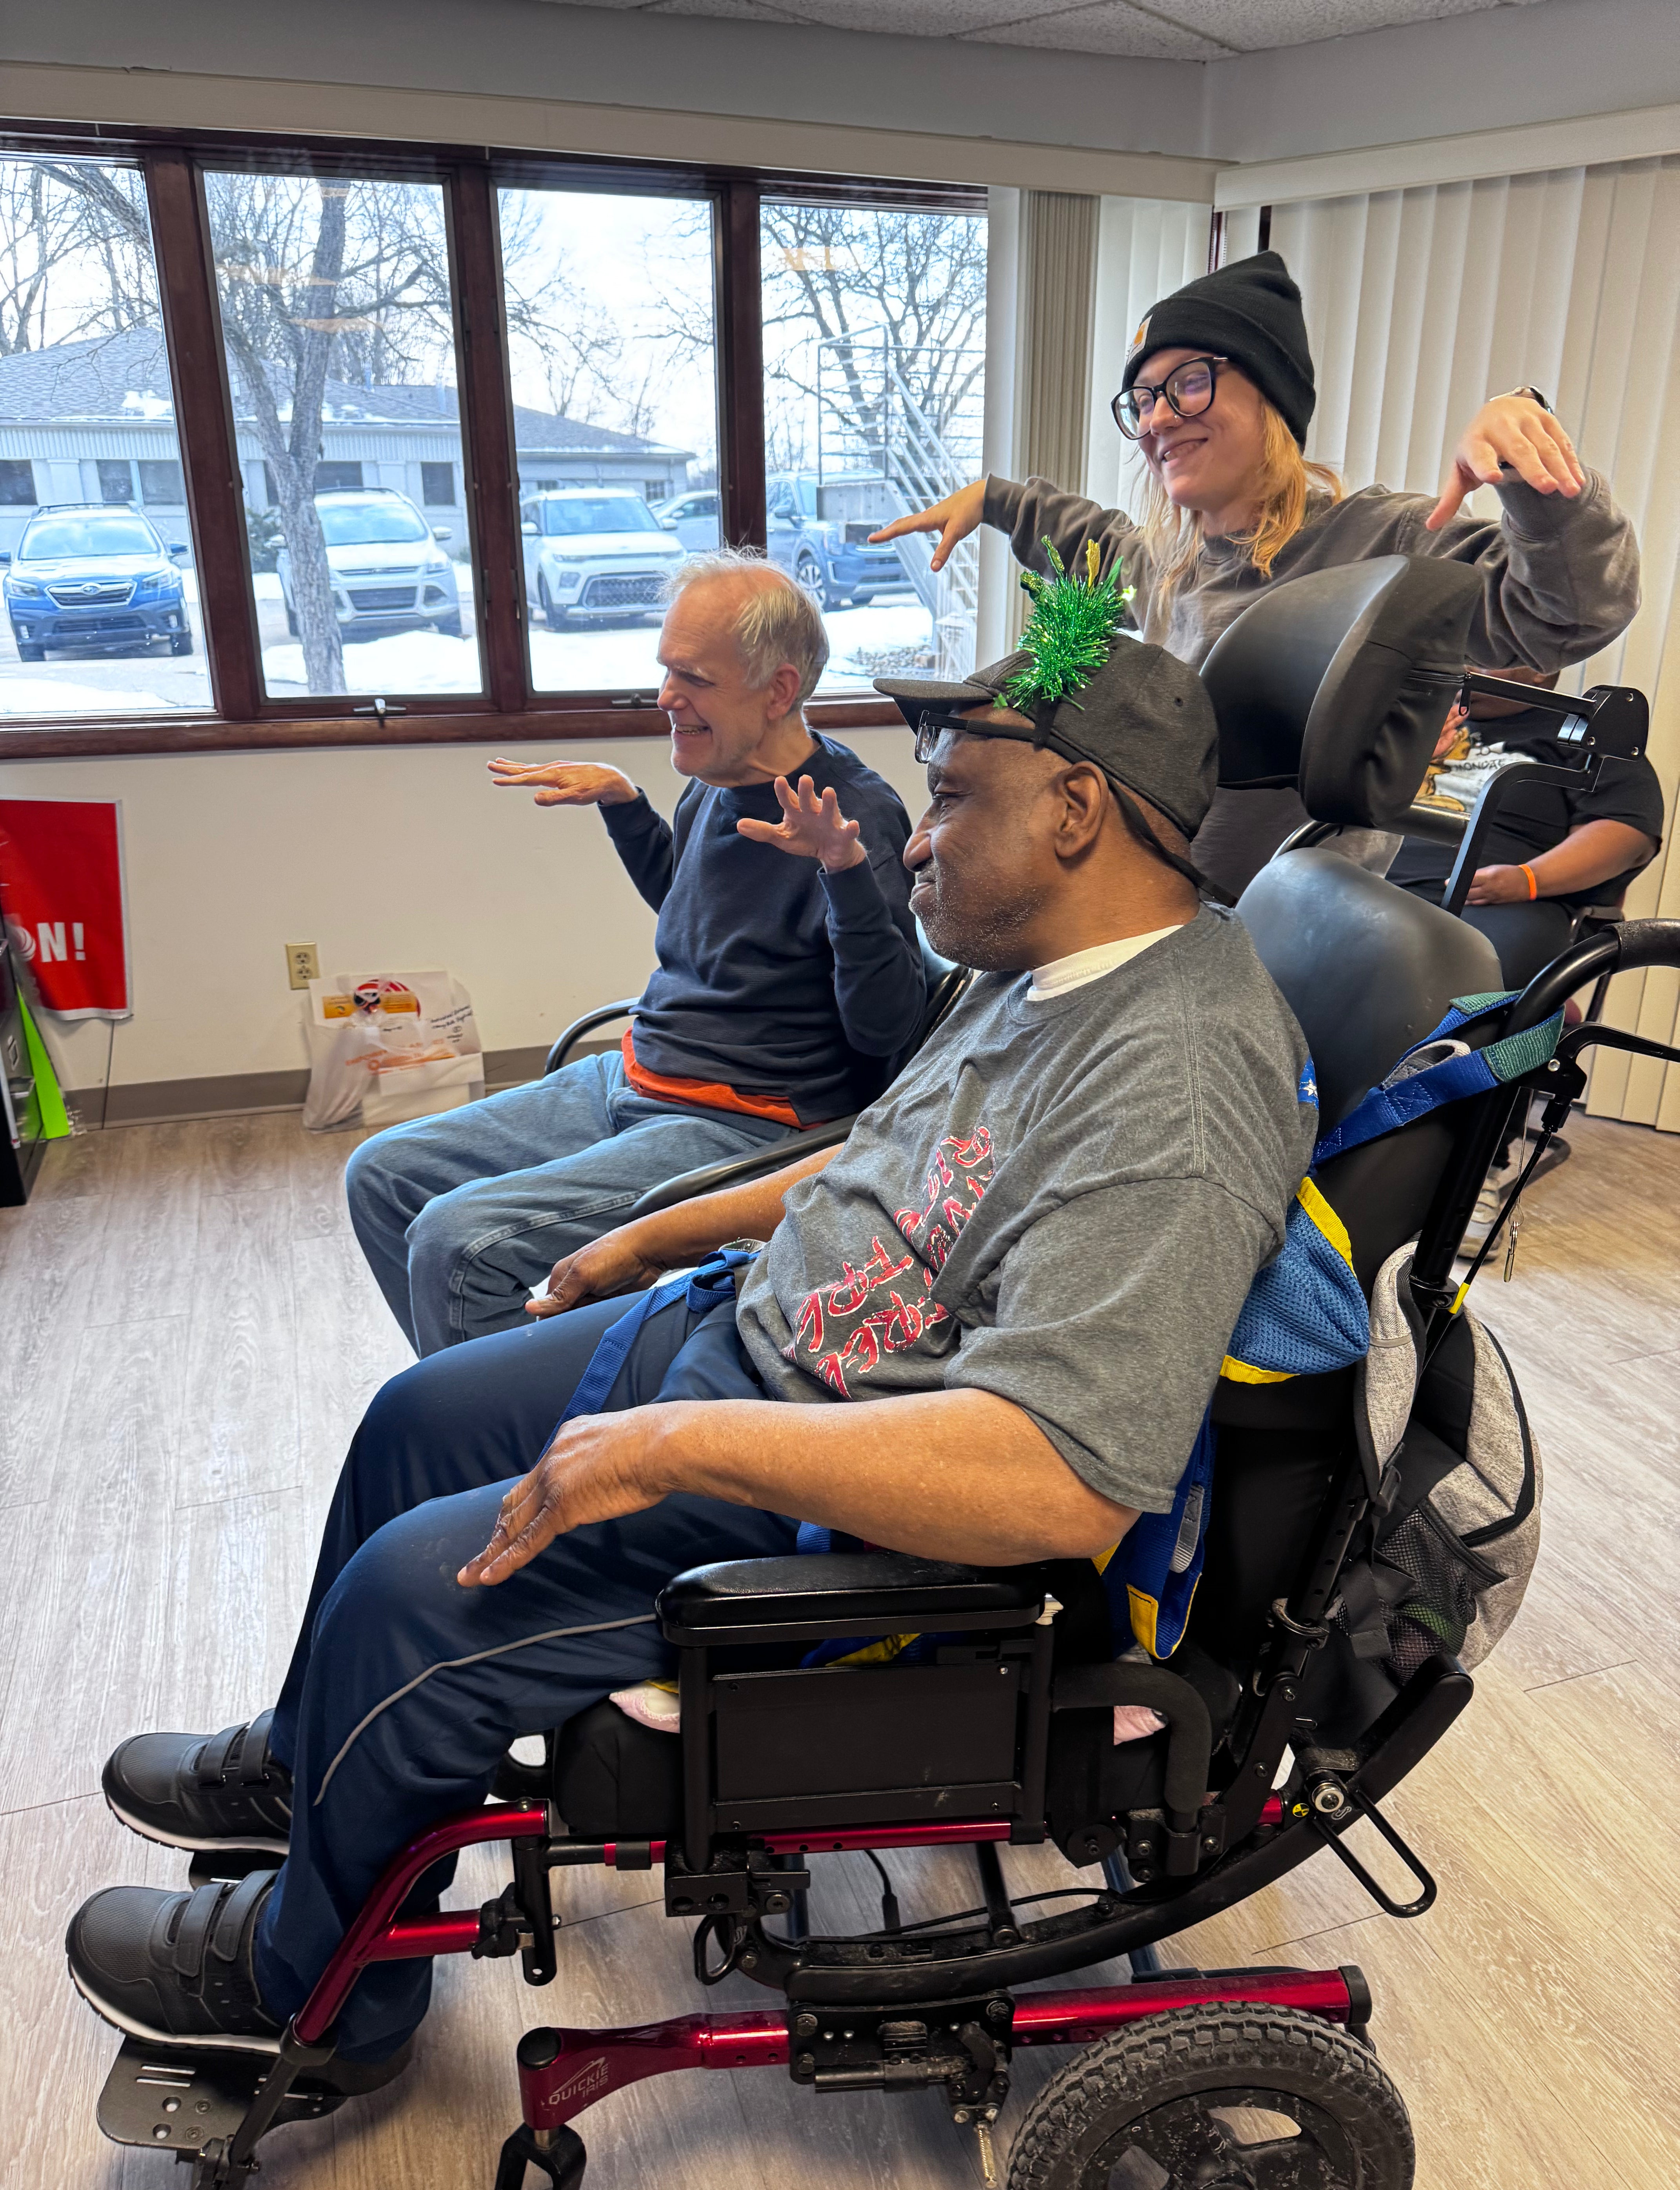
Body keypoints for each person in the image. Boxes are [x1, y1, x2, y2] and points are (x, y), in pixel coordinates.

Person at [68, 610, 1319, 2075]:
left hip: (839, 1488)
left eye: (950, 799)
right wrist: (657, 1232)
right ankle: (314, 1773)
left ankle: (317, 1998)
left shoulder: (1174, 1086)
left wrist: (675, 1442)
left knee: (408, 1598)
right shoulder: (1048, 961)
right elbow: (884, 1155)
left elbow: (1063, 1480)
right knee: (413, 1421)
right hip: (750, 1336)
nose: (915, 841)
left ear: (1076, 808)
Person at [872, 250, 1642, 897]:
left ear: (1270, 394)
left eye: (1188, 383)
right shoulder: (1170, 563)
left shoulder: (1381, 545)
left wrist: (1534, 477)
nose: (1156, 418)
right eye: (1142, 399)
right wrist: (997, 500)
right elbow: (1092, 542)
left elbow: (1567, 614)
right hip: (1157, 906)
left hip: (1290, 936)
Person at [345, 548, 925, 1354]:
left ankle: (509, 1417)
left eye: (693, 678)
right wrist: (625, 805)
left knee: (458, 1240)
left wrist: (843, 871)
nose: (666, 697)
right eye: (666, 671)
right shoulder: (717, 780)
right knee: (380, 1173)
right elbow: (696, 914)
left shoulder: (850, 814)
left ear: (778, 690)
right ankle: (475, 1393)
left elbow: (887, 1028)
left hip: (746, 1120)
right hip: (639, 1070)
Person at [1388, 666, 1665, 990]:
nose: (1466, 663)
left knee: (1465, 968)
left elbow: (1624, 832)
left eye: (1486, 655)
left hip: (1496, 902)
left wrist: (1528, 880)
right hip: (1373, 881)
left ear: (1539, 669)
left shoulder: (1583, 735)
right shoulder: (1415, 723)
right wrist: (1408, 755)